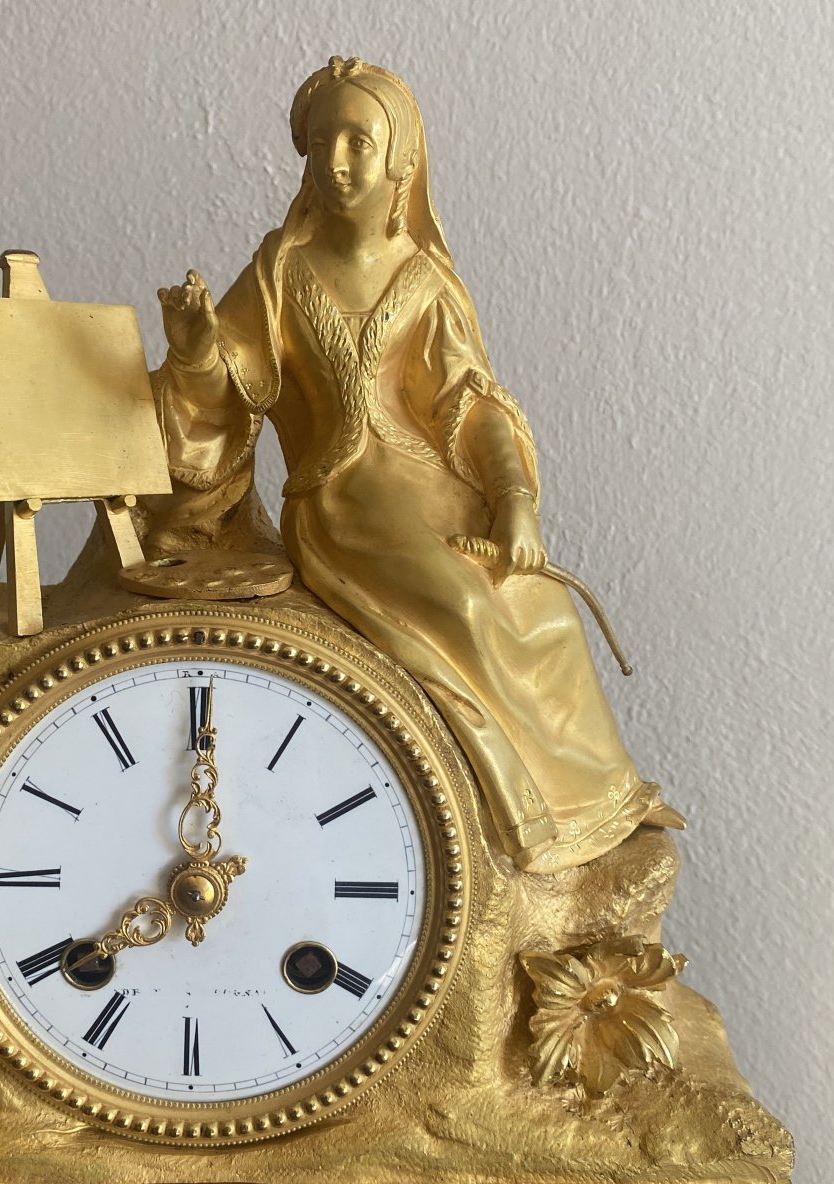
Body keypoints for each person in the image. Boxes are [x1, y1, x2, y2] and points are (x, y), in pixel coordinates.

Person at [154, 57, 679, 872]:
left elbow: (469, 403)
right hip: (343, 501)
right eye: (320, 144)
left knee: (540, 607)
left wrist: (513, 500)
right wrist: (196, 349)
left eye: (358, 143)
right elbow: (233, 387)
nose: (335, 162)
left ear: (402, 160)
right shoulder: (281, 269)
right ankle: (528, 817)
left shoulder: (426, 280)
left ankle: (597, 805)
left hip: (431, 486)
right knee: (462, 603)